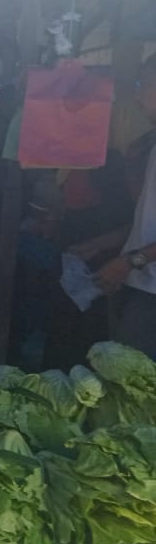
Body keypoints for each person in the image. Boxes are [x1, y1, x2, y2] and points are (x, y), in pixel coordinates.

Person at [95, 53, 156, 355]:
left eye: (142, 84)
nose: (136, 93)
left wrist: (131, 262)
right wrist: (99, 247)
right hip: (145, 286)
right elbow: (146, 220)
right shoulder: (152, 143)